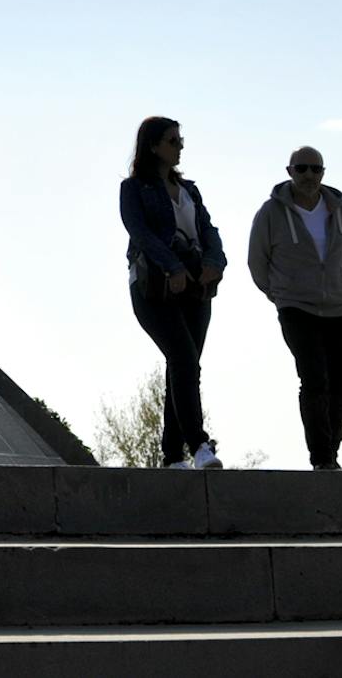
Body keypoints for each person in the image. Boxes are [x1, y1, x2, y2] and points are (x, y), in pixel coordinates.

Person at [120, 115, 227, 469]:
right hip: (156, 287)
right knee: (182, 358)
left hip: (195, 287)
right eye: (172, 141)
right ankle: (198, 443)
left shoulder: (190, 190)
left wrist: (215, 262)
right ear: (153, 145)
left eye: (181, 140)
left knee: (183, 364)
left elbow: (208, 229)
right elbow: (140, 233)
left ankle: (171, 456)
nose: (180, 147)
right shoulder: (134, 188)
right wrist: (172, 266)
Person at [246, 145, 342, 470]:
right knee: (314, 378)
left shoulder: (341, 210)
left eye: (315, 169)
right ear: (289, 172)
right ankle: (322, 459)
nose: (308, 175)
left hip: (338, 306)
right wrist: (281, 293)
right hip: (296, 307)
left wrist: (331, 283)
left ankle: (331, 452)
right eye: (301, 169)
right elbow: (257, 260)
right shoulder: (270, 213)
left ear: (323, 173)